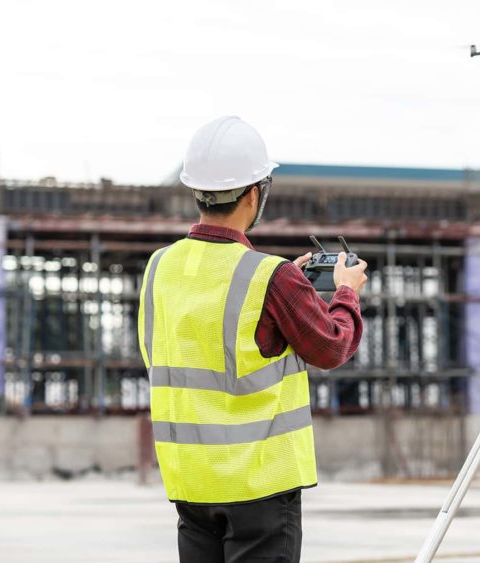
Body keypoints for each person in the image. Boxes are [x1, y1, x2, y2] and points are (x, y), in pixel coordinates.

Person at [138, 116, 368, 563]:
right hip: (259, 486)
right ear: (253, 193)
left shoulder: (158, 267)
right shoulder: (270, 276)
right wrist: (346, 292)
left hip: (191, 482)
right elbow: (332, 346)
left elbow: (176, 351)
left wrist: (289, 289)